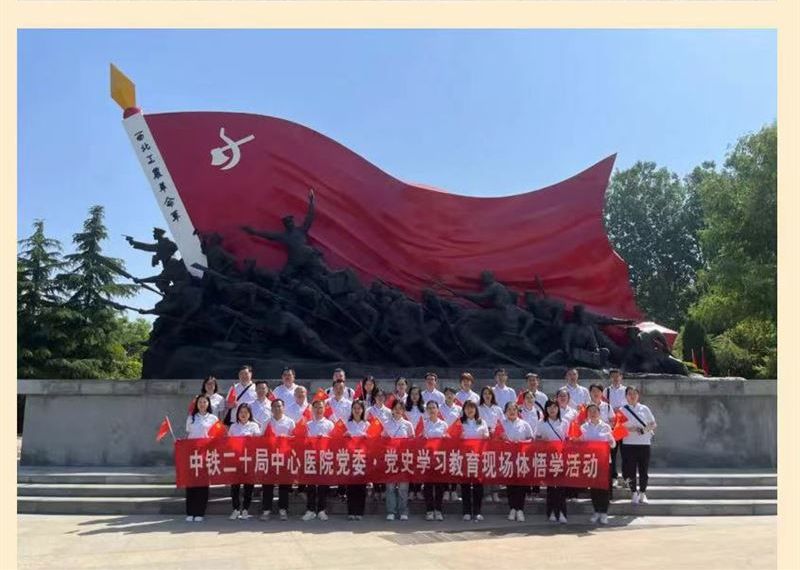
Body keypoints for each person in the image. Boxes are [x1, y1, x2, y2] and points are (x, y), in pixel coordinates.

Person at [619, 386, 657, 505]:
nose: (632, 396)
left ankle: (642, 493)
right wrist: (630, 429)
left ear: (638, 395)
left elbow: (653, 424)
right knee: (630, 470)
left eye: (635, 393)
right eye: (630, 394)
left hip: (644, 443)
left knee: (643, 470)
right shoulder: (622, 410)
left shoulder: (644, 408)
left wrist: (643, 430)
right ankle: (634, 493)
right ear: (626, 396)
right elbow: (618, 427)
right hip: (628, 444)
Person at [533, 399, 569, 523]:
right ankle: (552, 512)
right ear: (546, 409)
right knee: (551, 487)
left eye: (554, 407)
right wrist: (543, 441)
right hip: (548, 457)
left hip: (561, 457)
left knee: (561, 486)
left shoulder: (564, 422)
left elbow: (568, 439)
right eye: (549, 407)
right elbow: (536, 439)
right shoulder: (541, 423)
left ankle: (562, 512)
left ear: (558, 409)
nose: (552, 410)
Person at [261, 398, 296, 521]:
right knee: (267, 484)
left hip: (284, 456)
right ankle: (266, 509)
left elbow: (295, 438)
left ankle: (283, 509)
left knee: (284, 484)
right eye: (275, 406)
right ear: (271, 409)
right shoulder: (267, 422)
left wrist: (286, 438)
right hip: (269, 456)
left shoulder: (290, 422)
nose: (277, 408)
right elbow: (261, 438)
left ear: (283, 408)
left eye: (279, 406)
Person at [184, 394, 218, 522]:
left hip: (206, 453)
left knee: (203, 483)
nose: (202, 404)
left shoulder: (213, 419)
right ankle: (190, 512)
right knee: (191, 483)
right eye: (200, 402)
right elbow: (189, 434)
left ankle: (200, 512)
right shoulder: (191, 418)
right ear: (196, 404)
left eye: (204, 402)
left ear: (208, 404)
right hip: (193, 453)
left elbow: (217, 436)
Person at [499, 402, 534, 522]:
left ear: (518, 411)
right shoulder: (502, 424)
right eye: (509, 409)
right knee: (510, 485)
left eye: (514, 409)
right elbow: (496, 440)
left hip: (521, 459)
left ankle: (520, 509)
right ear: (505, 412)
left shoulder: (524, 424)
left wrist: (521, 443)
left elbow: (531, 439)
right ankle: (512, 508)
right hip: (507, 459)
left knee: (521, 485)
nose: (512, 411)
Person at [581, 403, 616, 524]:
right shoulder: (583, 427)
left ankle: (604, 512)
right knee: (594, 488)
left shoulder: (606, 427)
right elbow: (581, 444)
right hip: (591, 462)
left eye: (595, 411)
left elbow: (613, 444)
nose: (593, 413)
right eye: (590, 411)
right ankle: (596, 511)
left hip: (604, 461)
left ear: (599, 413)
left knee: (604, 488)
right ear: (587, 414)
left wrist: (611, 441)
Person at [303, 399, 335, 521]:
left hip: (325, 457)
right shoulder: (308, 424)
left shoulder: (330, 424)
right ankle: (310, 510)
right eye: (316, 407)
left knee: (323, 485)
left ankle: (321, 510)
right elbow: (303, 441)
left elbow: (335, 441)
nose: (318, 410)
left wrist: (325, 438)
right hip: (311, 457)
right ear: (312, 409)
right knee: (311, 485)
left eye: (320, 407)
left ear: (324, 409)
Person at [383, 399, 415, 521]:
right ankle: (391, 511)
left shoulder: (408, 424)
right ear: (392, 410)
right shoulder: (386, 423)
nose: (398, 410)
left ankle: (403, 511)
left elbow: (412, 441)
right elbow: (382, 440)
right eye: (395, 408)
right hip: (390, 458)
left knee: (403, 487)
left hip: (404, 459)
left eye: (400, 408)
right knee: (390, 487)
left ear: (403, 410)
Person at [228, 403, 260, 520]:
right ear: (237, 414)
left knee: (248, 486)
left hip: (249, 460)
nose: (243, 414)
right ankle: (236, 509)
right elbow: (228, 443)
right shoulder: (233, 427)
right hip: (236, 460)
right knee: (235, 486)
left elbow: (259, 441)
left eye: (246, 412)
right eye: (241, 412)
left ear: (250, 414)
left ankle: (246, 509)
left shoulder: (254, 426)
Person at [459, 400, 489, 521]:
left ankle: (477, 511)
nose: (470, 410)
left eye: (472, 407)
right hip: (464, 458)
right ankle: (466, 511)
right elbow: (452, 437)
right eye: (467, 408)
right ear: (464, 410)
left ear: (476, 409)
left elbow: (487, 436)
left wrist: (486, 437)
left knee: (478, 485)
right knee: (465, 485)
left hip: (478, 457)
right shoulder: (459, 422)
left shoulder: (482, 422)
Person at [422, 400, 448, 521]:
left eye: (434, 408)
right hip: (426, 458)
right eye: (429, 408)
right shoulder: (423, 424)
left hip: (439, 459)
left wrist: (446, 438)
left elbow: (449, 440)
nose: (432, 410)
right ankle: (429, 510)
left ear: (438, 410)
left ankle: (438, 510)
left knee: (439, 486)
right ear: (427, 410)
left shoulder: (443, 424)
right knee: (427, 486)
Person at [478, 386, 504, 503]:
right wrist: (485, 430)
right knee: (485, 466)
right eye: (485, 393)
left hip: (495, 440)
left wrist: (495, 431)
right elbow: (477, 423)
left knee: (495, 465)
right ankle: (487, 493)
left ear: (492, 395)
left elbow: (502, 424)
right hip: (483, 440)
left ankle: (495, 492)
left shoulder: (497, 409)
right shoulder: (478, 408)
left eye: (489, 393)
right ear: (482, 396)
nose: (487, 396)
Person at [345, 400, 369, 520]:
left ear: (363, 410)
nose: (357, 410)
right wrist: (346, 436)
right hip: (350, 458)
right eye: (354, 408)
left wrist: (367, 437)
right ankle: (351, 511)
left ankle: (359, 512)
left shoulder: (367, 424)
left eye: (359, 408)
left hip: (363, 458)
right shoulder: (347, 423)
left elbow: (373, 440)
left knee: (361, 487)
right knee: (351, 487)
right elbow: (340, 439)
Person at [439, 387, 462, 501]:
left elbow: (462, 424)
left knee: (454, 464)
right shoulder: (439, 408)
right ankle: (445, 490)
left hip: (455, 441)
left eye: (451, 394)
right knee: (443, 465)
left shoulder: (459, 409)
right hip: (442, 441)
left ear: (455, 396)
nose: (449, 396)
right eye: (447, 394)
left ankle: (453, 490)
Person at [606, 369, 628, 487]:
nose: (615, 378)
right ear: (610, 378)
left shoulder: (626, 390)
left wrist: (620, 409)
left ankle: (626, 477)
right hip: (612, 426)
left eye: (617, 376)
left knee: (625, 453)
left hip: (623, 426)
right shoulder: (606, 391)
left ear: (621, 377)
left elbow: (629, 405)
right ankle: (613, 476)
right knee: (612, 453)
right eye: (613, 376)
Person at [404, 386, 426, 500]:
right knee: (409, 465)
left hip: (421, 440)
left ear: (420, 396)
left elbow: (427, 423)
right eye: (412, 394)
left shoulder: (425, 409)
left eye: (417, 394)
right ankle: (411, 490)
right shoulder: (405, 409)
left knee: (419, 465)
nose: (414, 396)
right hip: (408, 440)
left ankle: (418, 489)